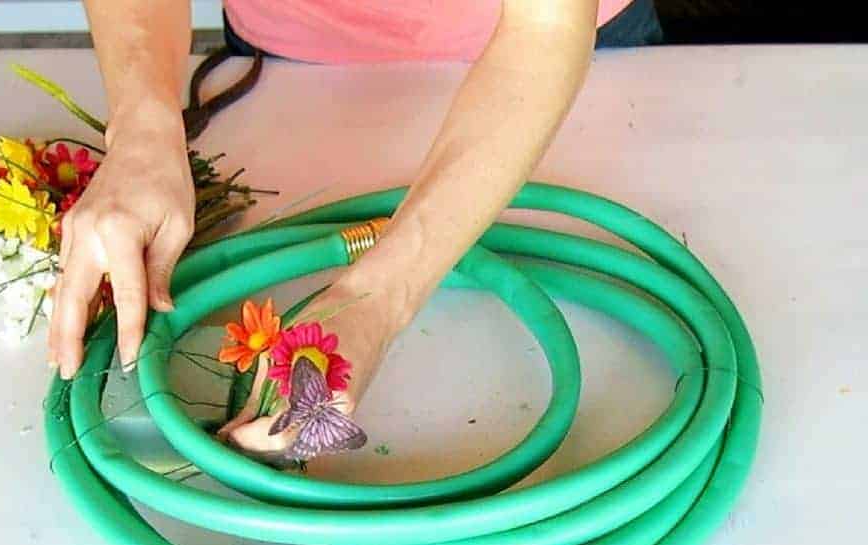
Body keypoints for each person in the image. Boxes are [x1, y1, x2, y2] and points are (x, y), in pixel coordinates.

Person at [51, 0, 662, 454]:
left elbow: (546, 29)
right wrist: (142, 129)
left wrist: (378, 293)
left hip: (554, 60)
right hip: (291, 45)